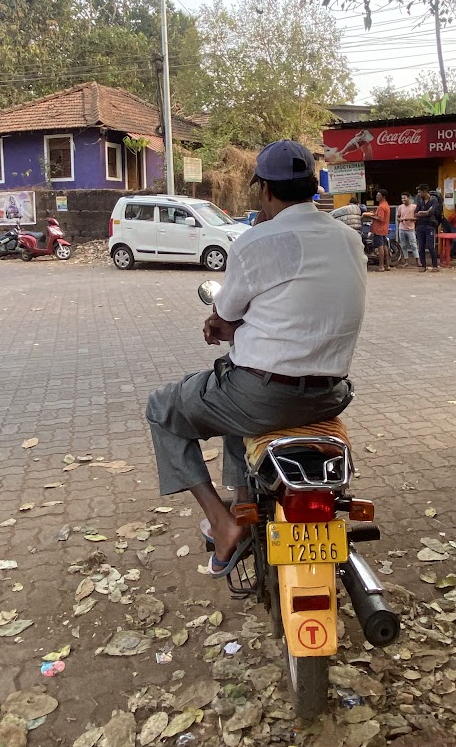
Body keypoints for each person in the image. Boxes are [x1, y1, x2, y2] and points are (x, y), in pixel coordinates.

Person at [145, 140, 366, 576]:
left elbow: (225, 316)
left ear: (264, 190)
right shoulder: (349, 238)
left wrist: (218, 324)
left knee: (163, 408)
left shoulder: (259, 240)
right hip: (332, 394)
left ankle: (223, 523)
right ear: (313, 185)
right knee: (232, 393)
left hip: (265, 397)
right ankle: (246, 501)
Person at [415, 184, 441, 272]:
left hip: (430, 226)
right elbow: (415, 213)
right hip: (420, 226)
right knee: (421, 247)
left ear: (425, 191)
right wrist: (425, 212)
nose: (418, 194)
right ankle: (423, 266)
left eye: (419, 192)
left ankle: (435, 265)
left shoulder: (434, 200)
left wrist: (422, 213)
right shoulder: (419, 201)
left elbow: (431, 212)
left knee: (430, 246)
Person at [369, 187, 391, 272]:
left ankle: (381, 266)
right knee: (385, 246)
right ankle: (387, 265)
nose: (377, 196)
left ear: (383, 196)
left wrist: (370, 216)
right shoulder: (386, 205)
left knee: (380, 247)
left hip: (379, 229)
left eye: (378, 195)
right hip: (384, 229)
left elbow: (380, 218)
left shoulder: (381, 207)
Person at [396, 192, 419, 262]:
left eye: (404, 198)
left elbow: (417, 218)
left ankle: (417, 260)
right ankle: (406, 260)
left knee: (413, 245)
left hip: (410, 228)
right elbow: (398, 217)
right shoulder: (400, 207)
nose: (403, 199)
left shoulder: (414, 207)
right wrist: (400, 220)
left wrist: (410, 219)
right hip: (402, 228)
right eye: (402, 198)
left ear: (408, 198)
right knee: (403, 245)